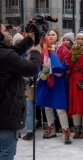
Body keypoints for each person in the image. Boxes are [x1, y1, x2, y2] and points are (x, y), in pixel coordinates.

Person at [0, 22, 41, 160]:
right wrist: (36, 52)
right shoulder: (6, 56)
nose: (8, 33)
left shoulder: (5, 53)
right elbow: (32, 69)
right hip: (5, 117)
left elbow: (14, 51)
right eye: (5, 30)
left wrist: (30, 38)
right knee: (6, 153)